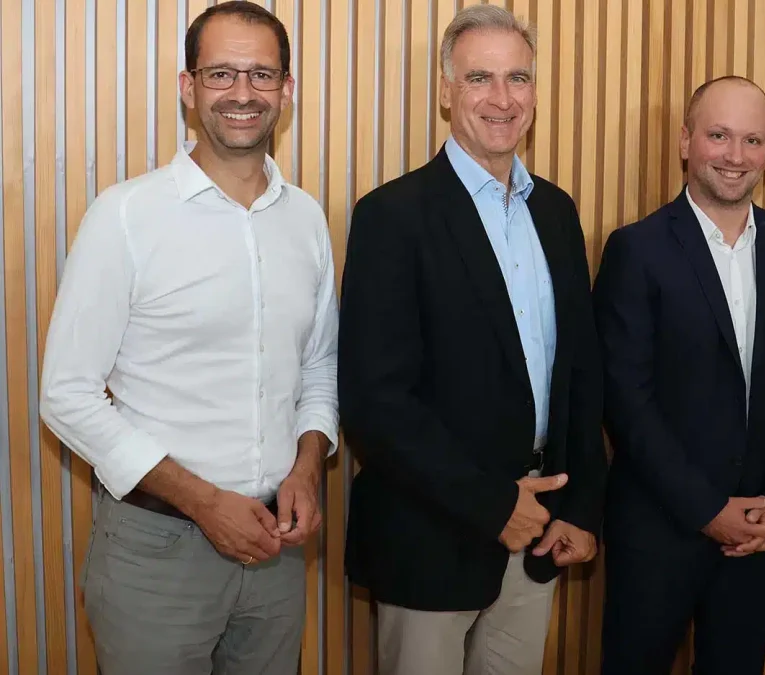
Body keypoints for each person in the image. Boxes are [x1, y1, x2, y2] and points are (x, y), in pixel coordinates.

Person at [39, 3, 338, 673]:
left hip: (276, 552)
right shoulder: (125, 216)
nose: (242, 92)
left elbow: (318, 366)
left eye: (261, 74)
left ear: (286, 91)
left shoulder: (306, 219)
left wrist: (307, 466)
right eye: (221, 73)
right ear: (188, 86)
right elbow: (65, 395)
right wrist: (205, 502)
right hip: (157, 552)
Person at [338, 5, 606, 675]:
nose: (501, 98)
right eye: (479, 77)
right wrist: (495, 506)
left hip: (540, 530)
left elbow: (579, 374)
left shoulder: (558, 211)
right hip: (431, 535)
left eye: (518, 78)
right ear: (445, 90)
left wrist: (579, 507)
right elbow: (376, 403)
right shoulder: (391, 217)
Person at [593, 76, 765, 674]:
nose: (735, 155)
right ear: (686, 140)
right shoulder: (636, 249)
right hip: (658, 529)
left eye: (753, 140)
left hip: (759, 531)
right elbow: (625, 400)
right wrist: (706, 510)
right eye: (719, 135)